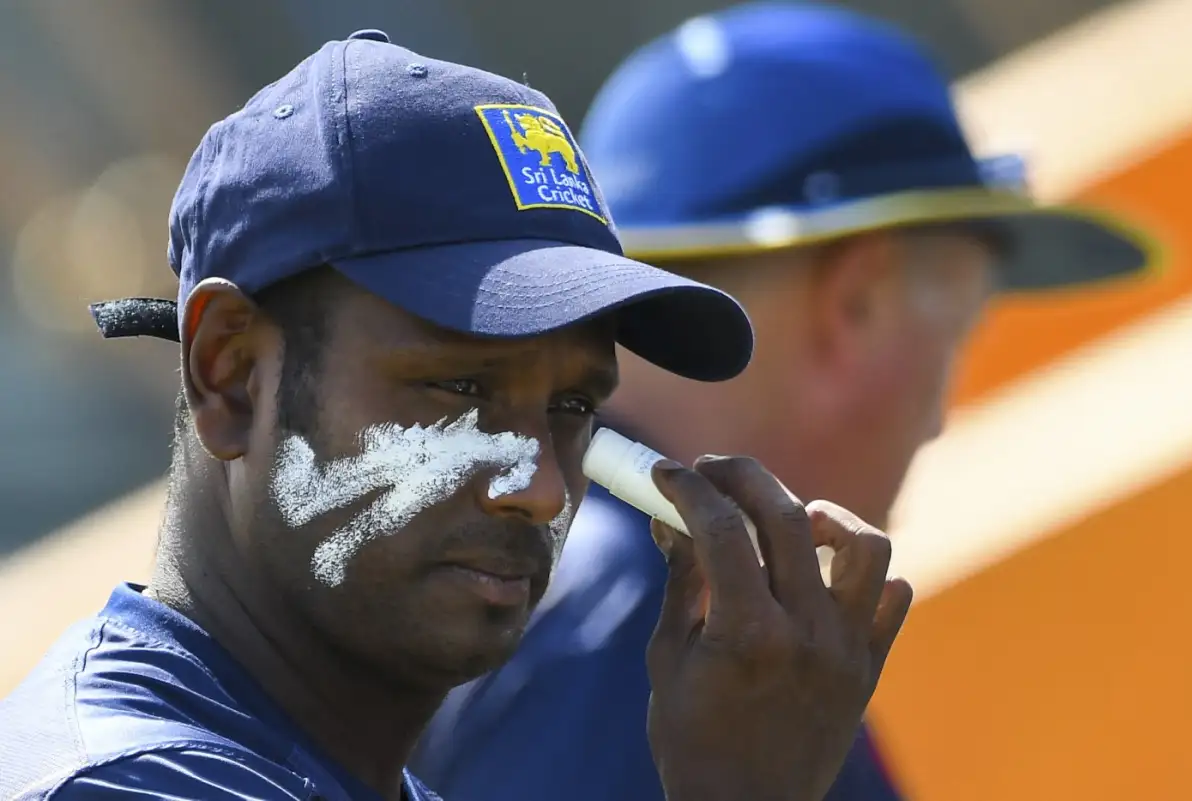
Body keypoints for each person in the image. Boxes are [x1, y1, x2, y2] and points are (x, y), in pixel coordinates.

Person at [0, 27, 915, 801]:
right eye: (461, 390)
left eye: (571, 405)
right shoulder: (126, 782)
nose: (545, 487)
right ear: (230, 373)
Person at [409, 4, 1154, 801]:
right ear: (856, 305)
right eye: (955, 338)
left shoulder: (559, 574)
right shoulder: (659, 629)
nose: (937, 419)